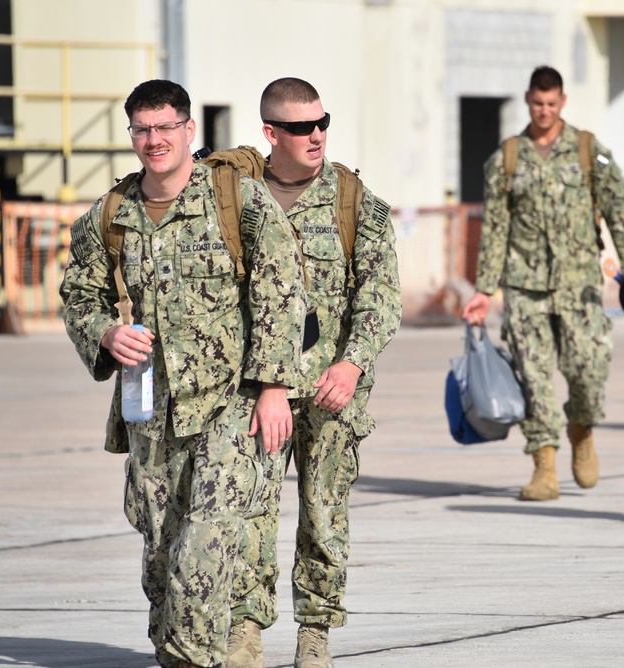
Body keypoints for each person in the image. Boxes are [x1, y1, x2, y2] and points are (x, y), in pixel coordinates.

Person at [59, 80, 307, 668]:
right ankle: (182, 647)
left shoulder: (237, 201)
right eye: (143, 130)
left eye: (166, 127)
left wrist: (274, 389)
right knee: (162, 547)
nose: (155, 140)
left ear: (189, 131)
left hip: (230, 404)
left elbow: (282, 292)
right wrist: (105, 332)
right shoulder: (112, 215)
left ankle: (192, 657)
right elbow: (78, 294)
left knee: (206, 539)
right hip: (152, 410)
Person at [227, 77, 402, 668]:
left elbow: (381, 295)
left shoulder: (354, 200)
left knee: (325, 511)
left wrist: (353, 364)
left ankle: (315, 633)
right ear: (270, 132)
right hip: (259, 390)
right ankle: (245, 630)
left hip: (333, 391)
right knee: (250, 510)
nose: (316, 136)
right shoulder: (235, 200)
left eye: (322, 123)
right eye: (301, 127)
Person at [461, 65, 624, 501]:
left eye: (552, 103)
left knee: (589, 370)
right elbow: (495, 229)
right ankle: (544, 465)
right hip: (525, 290)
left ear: (562, 102)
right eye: (537, 103)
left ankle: (582, 428)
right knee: (533, 378)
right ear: (528, 100)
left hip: (579, 286)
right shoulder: (506, 158)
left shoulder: (587, 151)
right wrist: (484, 290)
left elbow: (620, 210)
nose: (544, 110)